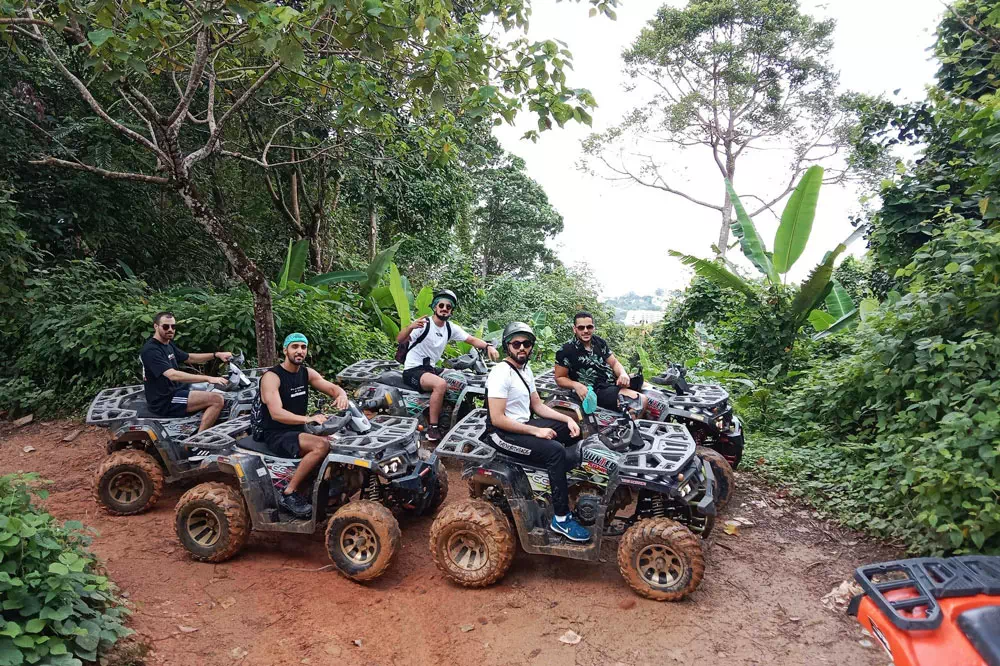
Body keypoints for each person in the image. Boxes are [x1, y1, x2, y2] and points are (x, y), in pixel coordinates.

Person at [486, 322, 590, 542]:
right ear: (508, 346)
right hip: (502, 434)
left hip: (523, 425)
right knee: (554, 451)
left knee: (571, 429)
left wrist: (567, 419)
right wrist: (536, 431)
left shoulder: (525, 370)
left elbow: (538, 406)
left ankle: (557, 479)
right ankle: (561, 519)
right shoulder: (500, 373)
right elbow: (497, 418)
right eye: (517, 343)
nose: (522, 348)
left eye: (526, 343)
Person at [250, 333, 350, 519]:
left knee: (341, 440)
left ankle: (325, 486)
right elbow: (276, 413)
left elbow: (332, 388)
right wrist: (307, 419)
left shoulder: (306, 373)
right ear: (285, 350)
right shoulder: (272, 377)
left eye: (303, 347)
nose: (299, 351)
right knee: (321, 446)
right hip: (276, 432)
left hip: (297, 429)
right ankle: (288, 494)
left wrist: (341, 395)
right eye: (294, 346)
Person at [396, 289, 499, 442]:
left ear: (451, 310)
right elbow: (400, 339)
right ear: (435, 307)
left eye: (448, 307)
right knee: (440, 384)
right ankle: (433, 428)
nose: (444, 308)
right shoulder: (424, 325)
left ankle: (448, 416)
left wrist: (487, 346)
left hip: (429, 369)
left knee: (458, 378)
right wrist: (410, 327)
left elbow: (471, 339)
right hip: (413, 369)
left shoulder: (450, 328)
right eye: (441, 305)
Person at [139, 311, 234, 432]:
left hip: (177, 389)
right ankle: (198, 440)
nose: (170, 329)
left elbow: (189, 357)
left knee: (215, 389)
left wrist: (216, 355)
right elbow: (172, 375)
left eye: (173, 326)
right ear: (156, 326)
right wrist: (208, 378)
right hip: (166, 399)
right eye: (166, 326)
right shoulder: (151, 350)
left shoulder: (167, 344)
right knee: (217, 400)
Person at [554, 311, 646, 413]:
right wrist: (576, 385)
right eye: (581, 328)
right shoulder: (566, 350)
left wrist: (623, 374)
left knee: (651, 391)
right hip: (595, 390)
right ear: (574, 329)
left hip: (611, 382)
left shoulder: (599, 342)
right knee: (640, 401)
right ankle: (628, 427)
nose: (585, 331)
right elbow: (559, 378)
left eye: (589, 327)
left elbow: (614, 363)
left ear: (593, 328)